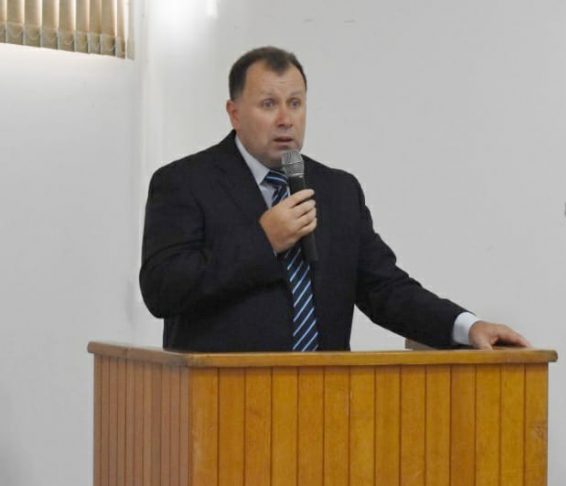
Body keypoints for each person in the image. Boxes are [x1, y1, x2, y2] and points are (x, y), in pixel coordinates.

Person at [139, 46, 530, 352]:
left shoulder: (338, 191)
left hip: (326, 403)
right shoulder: (184, 183)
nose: (285, 119)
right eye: (268, 104)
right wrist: (263, 241)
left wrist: (467, 326)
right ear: (234, 113)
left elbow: (384, 289)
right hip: (223, 404)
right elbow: (162, 290)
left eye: (295, 103)